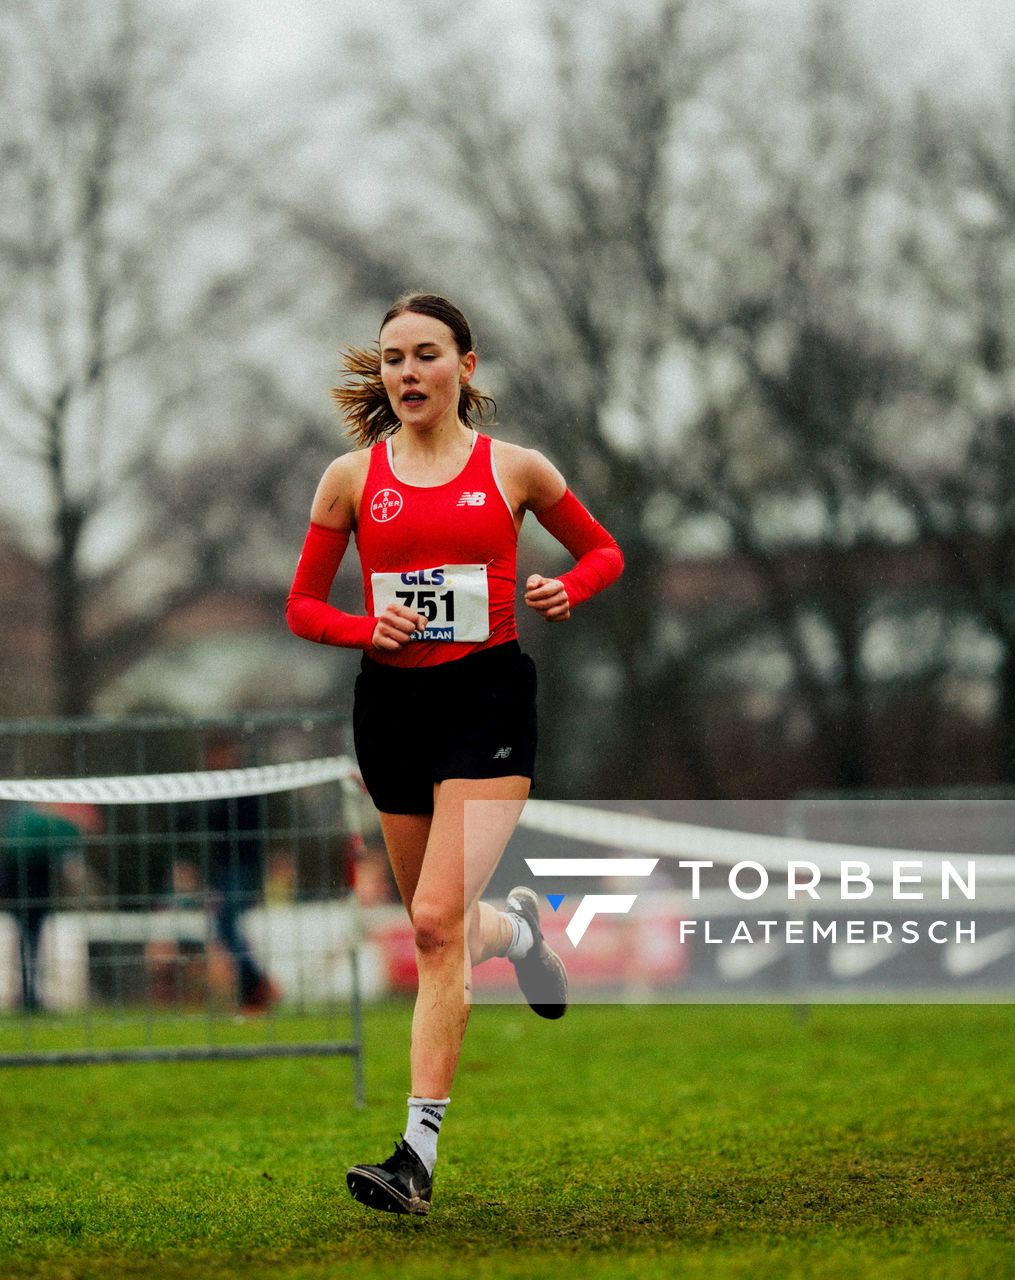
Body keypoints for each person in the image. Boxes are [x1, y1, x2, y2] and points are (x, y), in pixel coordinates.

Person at [286, 292, 624, 1214]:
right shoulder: (350, 480)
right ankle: (520, 933)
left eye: (425, 355)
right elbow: (303, 608)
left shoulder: (515, 469)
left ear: (465, 368)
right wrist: (367, 626)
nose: (406, 373)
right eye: (393, 358)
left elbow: (604, 553)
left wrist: (567, 589)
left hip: (487, 703)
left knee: (436, 919)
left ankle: (415, 1157)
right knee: (439, 925)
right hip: (391, 706)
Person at [192, 735, 278, 1014]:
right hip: (226, 869)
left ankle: (254, 986)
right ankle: (253, 987)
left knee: (226, 926)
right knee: (226, 928)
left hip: (243, 867)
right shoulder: (217, 788)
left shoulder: (244, 787)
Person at [0, 801, 91, 1014]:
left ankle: (24, 992)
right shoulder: (58, 828)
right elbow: (70, 866)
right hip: (34, 892)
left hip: (16, 890)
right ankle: (28, 994)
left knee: (24, 942)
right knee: (31, 943)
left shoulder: (20, 823)